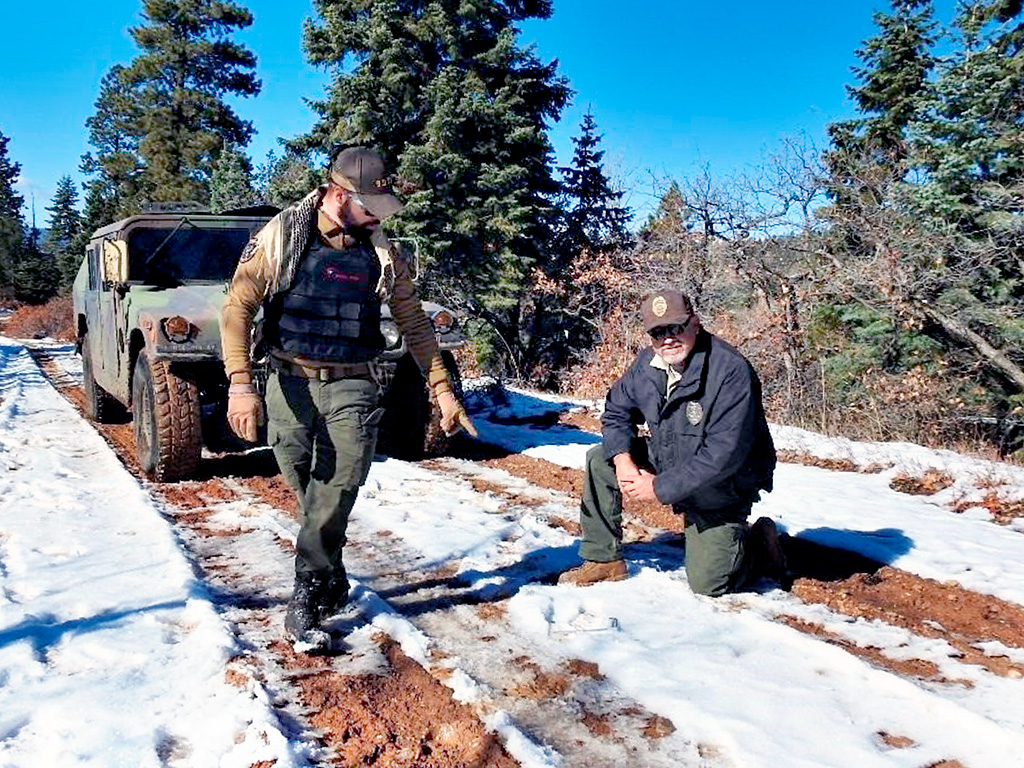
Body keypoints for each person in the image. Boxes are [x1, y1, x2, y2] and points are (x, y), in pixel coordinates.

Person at [221, 146, 476, 643]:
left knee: (336, 490)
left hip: (354, 383)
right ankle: (332, 574)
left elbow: (415, 323)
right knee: (306, 490)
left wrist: (442, 388)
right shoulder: (282, 236)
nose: (376, 217)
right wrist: (239, 385)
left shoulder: (380, 252)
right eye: (368, 206)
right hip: (288, 381)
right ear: (338, 195)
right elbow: (236, 310)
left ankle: (308, 594)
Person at [559, 289, 783, 596]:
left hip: (724, 484)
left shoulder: (730, 371)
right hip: (675, 458)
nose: (668, 338)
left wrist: (659, 487)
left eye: (676, 328)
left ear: (695, 324)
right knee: (602, 459)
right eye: (658, 331)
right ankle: (603, 559)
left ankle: (757, 545)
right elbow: (616, 409)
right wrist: (623, 458)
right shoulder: (647, 365)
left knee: (709, 584)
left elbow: (724, 455)